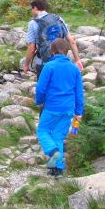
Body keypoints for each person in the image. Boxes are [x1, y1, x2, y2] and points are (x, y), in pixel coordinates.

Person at [35, 38, 85, 177]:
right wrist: (79, 112)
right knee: (58, 135)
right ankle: (57, 170)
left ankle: (52, 151)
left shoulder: (49, 67)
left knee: (42, 131)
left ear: (52, 51)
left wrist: (39, 101)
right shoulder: (74, 69)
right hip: (68, 109)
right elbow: (79, 93)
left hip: (52, 107)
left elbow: (41, 88)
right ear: (68, 52)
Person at [22, 0, 83, 76]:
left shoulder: (33, 23)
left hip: (43, 63)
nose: (32, 11)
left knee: (44, 87)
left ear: (35, 8)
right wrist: (77, 60)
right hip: (62, 61)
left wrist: (26, 65)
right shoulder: (58, 18)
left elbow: (32, 48)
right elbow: (71, 41)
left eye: (32, 9)